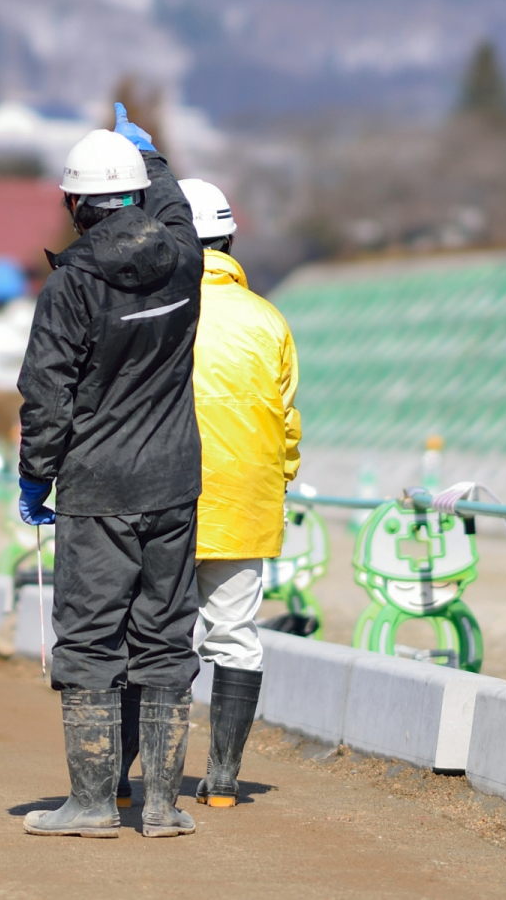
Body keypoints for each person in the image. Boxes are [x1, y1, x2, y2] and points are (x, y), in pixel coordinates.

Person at [17, 104, 205, 839]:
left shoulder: (70, 288)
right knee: (165, 635)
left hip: (97, 487)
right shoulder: (187, 259)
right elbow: (176, 209)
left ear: (73, 206)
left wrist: (37, 477)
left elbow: (46, 395)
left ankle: (95, 803)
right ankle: (160, 806)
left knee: (92, 640)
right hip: (174, 479)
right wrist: (149, 157)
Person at [175, 177, 299, 807]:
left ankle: (122, 781)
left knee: (153, 634)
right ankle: (223, 780)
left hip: (162, 498)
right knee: (235, 632)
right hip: (245, 502)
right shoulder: (267, 319)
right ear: (228, 238)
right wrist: (273, 482)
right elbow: (287, 423)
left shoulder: (158, 310)